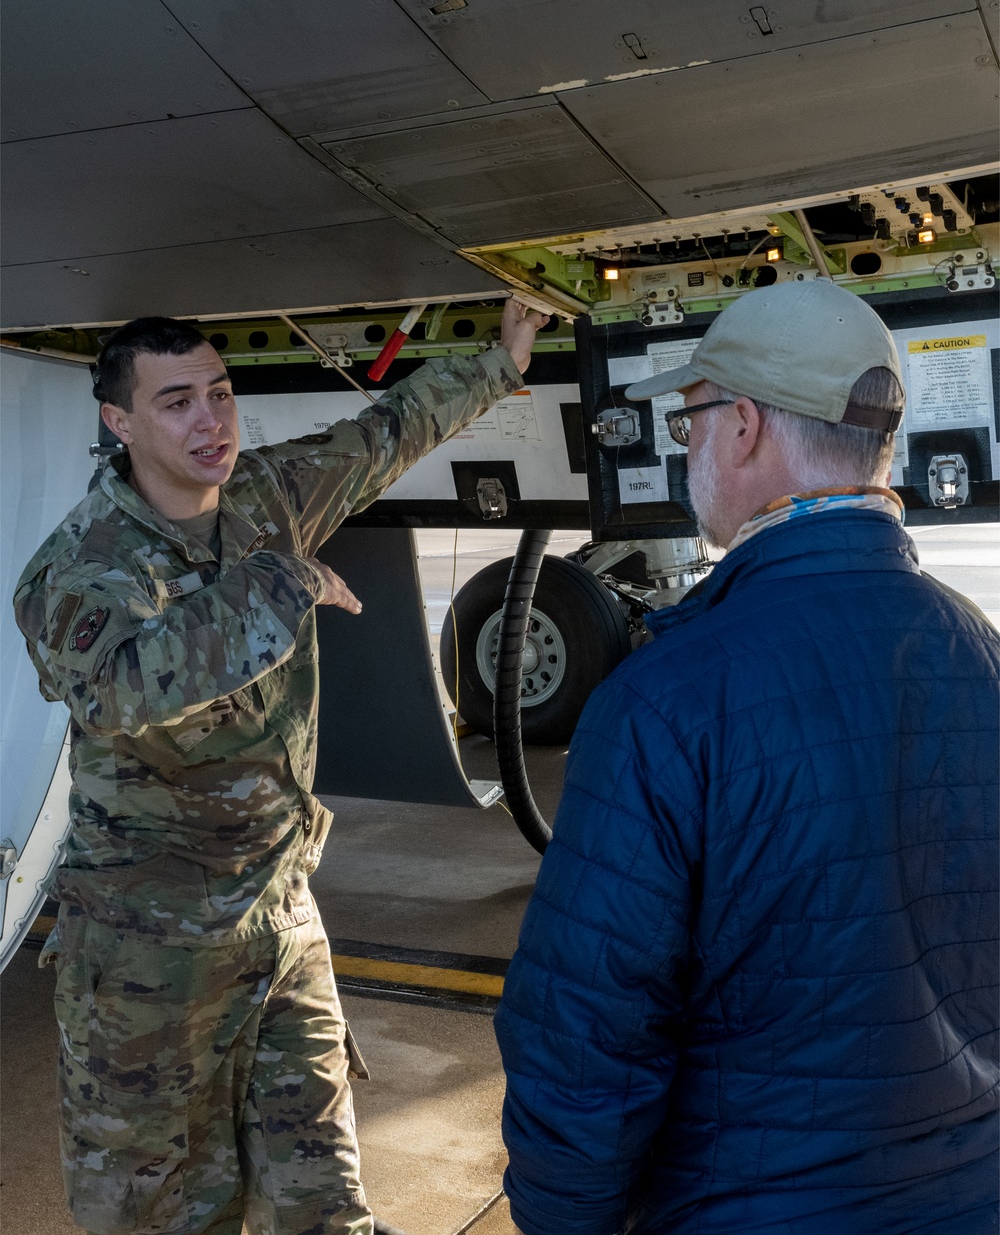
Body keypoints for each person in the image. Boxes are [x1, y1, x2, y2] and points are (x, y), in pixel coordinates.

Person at [14, 296, 547, 1235]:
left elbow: (377, 438)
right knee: (169, 1211)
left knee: (322, 1196)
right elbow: (118, 689)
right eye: (175, 402)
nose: (210, 420)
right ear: (120, 422)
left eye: (218, 394)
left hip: (279, 918)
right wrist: (280, 580)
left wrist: (500, 363)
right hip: (150, 952)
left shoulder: (263, 498)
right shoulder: (82, 566)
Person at [495, 281, 998, 1234]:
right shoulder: (981, 651)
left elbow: (586, 1036)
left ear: (746, 428)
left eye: (691, 424)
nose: (688, 453)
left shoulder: (666, 700)